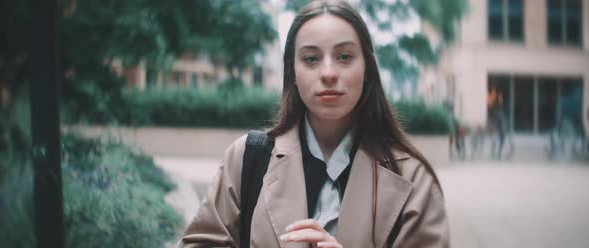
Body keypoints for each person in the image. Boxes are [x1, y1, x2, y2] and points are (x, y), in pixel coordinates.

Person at [178, 1, 449, 247]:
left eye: (344, 57)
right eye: (311, 59)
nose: (328, 73)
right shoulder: (247, 159)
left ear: (367, 69)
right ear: (292, 72)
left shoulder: (414, 180)